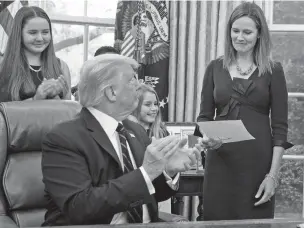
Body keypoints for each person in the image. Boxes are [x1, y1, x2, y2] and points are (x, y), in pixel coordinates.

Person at [41, 54, 201, 226]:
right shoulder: (64, 138)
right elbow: (80, 207)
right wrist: (146, 172)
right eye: (132, 80)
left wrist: (167, 171)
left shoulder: (135, 131)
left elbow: (148, 194)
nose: (139, 86)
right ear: (111, 92)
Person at [194, 2, 293, 220]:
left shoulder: (273, 70)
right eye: (235, 31)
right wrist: (207, 139)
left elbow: (280, 128)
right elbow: (204, 117)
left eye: (247, 32)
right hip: (220, 162)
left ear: (259, 34)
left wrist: (273, 175)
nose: (240, 37)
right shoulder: (214, 68)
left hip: (258, 164)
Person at [0, 6, 71, 102]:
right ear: (19, 34)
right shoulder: (2, 64)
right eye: (33, 33)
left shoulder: (61, 66)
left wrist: (56, 97)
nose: (40, 38)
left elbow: (69, 111)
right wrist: (36, 99)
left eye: (45, 32)